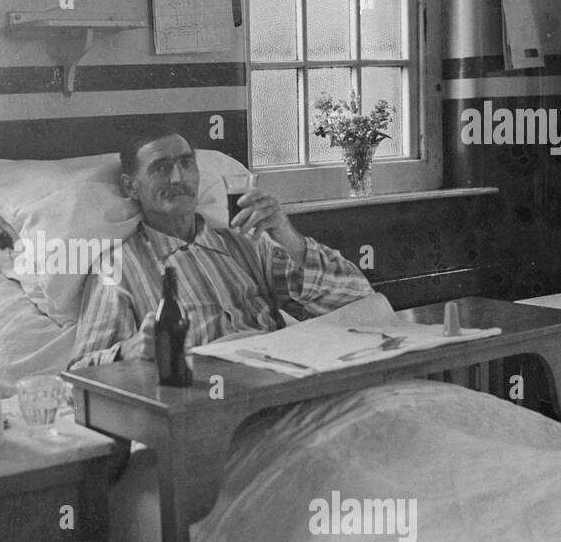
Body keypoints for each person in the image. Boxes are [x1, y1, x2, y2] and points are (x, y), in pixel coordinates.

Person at [70, 125, 373, 369]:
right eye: (161, 168)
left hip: (283, 381)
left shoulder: (248, 244)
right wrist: (129, 350)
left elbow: (357, 298)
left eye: (186, 163)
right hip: (207, 405)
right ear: (130, 186)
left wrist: (288, 237)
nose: (179, 178)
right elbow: (81, 372)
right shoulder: (119, 269)